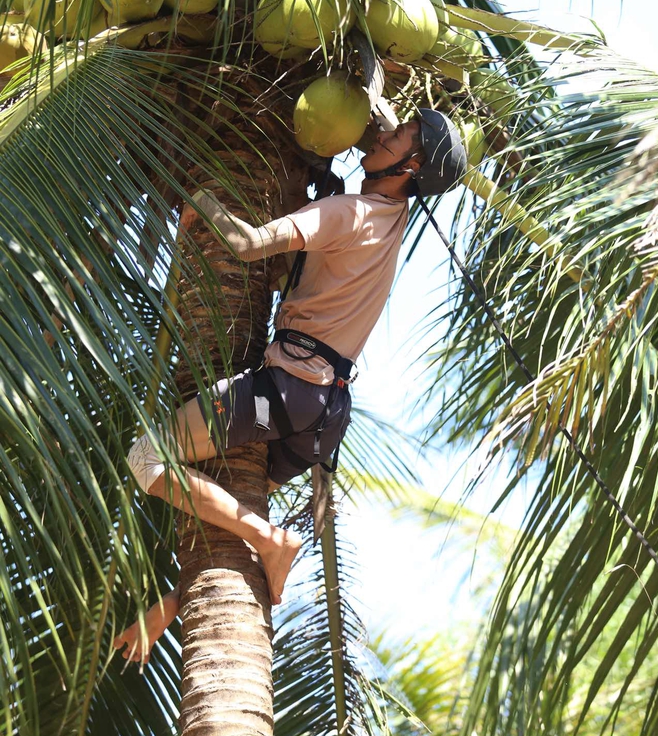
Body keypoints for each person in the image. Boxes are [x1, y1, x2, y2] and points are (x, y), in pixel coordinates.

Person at [113, 109, 466, 663]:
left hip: (288, 392)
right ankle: (174, 601)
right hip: (322, 414)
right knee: (223, 497)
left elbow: (250, 244)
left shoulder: (348, 213)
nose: (384, 135)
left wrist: (200, 199)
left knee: (146, 460)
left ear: (412, 164)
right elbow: (378, 144)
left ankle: (272, 541)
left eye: (399, 137)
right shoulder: (388, 219)